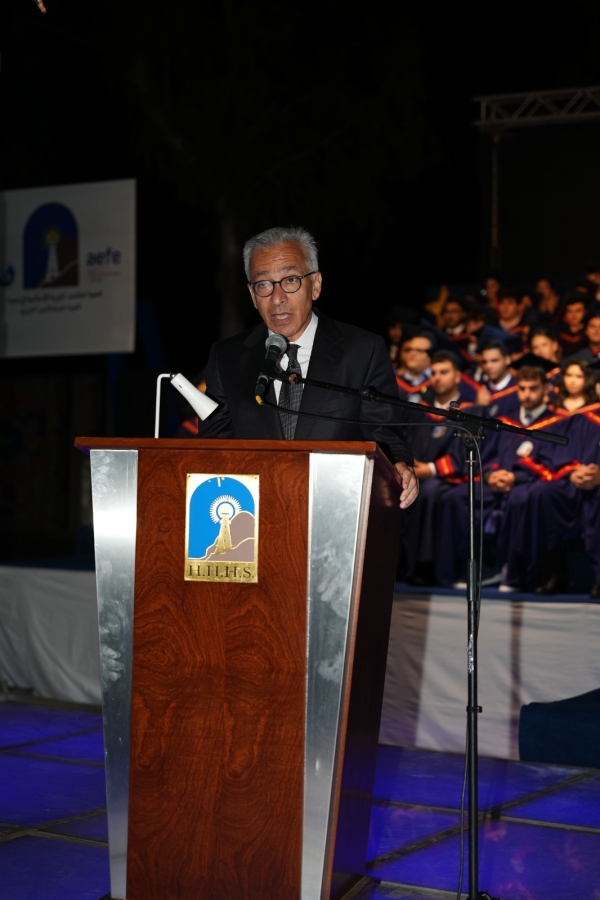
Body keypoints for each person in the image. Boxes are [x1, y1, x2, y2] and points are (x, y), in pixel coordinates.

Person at [198, 225, 418, 508]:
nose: (277, 298)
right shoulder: (227, 357)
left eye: (290, 280)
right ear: (252, 295)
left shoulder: (362, 351)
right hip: (255, 512)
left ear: (315, 285)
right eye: (263, 284)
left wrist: (399, 464)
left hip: (336, 507)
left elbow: (385, 436)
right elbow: (212, 448)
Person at [435, 365, 558, 588]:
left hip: (527, 484)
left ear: (546, 389)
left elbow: (552, 463)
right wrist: (491, 475)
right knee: (455, 497)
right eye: (522, 389)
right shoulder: (505, 422)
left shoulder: (556, 423)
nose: (527, 394)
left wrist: (516, 478)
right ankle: (464, 570)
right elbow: (489, 456)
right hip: (495, 484)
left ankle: (514, 573)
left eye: (533, 389)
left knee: (520, 500)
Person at [398, 351, 473, 584]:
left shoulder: (469, 411)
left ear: (458, 376)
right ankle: (399, 565)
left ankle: (425, 566)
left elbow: (463, 455)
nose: (438, 378)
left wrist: (429, 470)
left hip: (448, 478)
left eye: (444, 372)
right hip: (414, 472)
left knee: (429, 492)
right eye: (434, 373)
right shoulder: (421, 408)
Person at [475, 340, 519, 414]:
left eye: (494, 360)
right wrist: (477, 407)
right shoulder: (478, 389)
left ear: (507, 360)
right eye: (484, 362)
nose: (488, 366)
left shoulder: (519, 389)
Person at [395, 332, 433, 401]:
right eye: (409, 349)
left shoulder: (436, 382)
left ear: (431, 355)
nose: (412, 353)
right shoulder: (395, 379)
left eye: (419, 350)